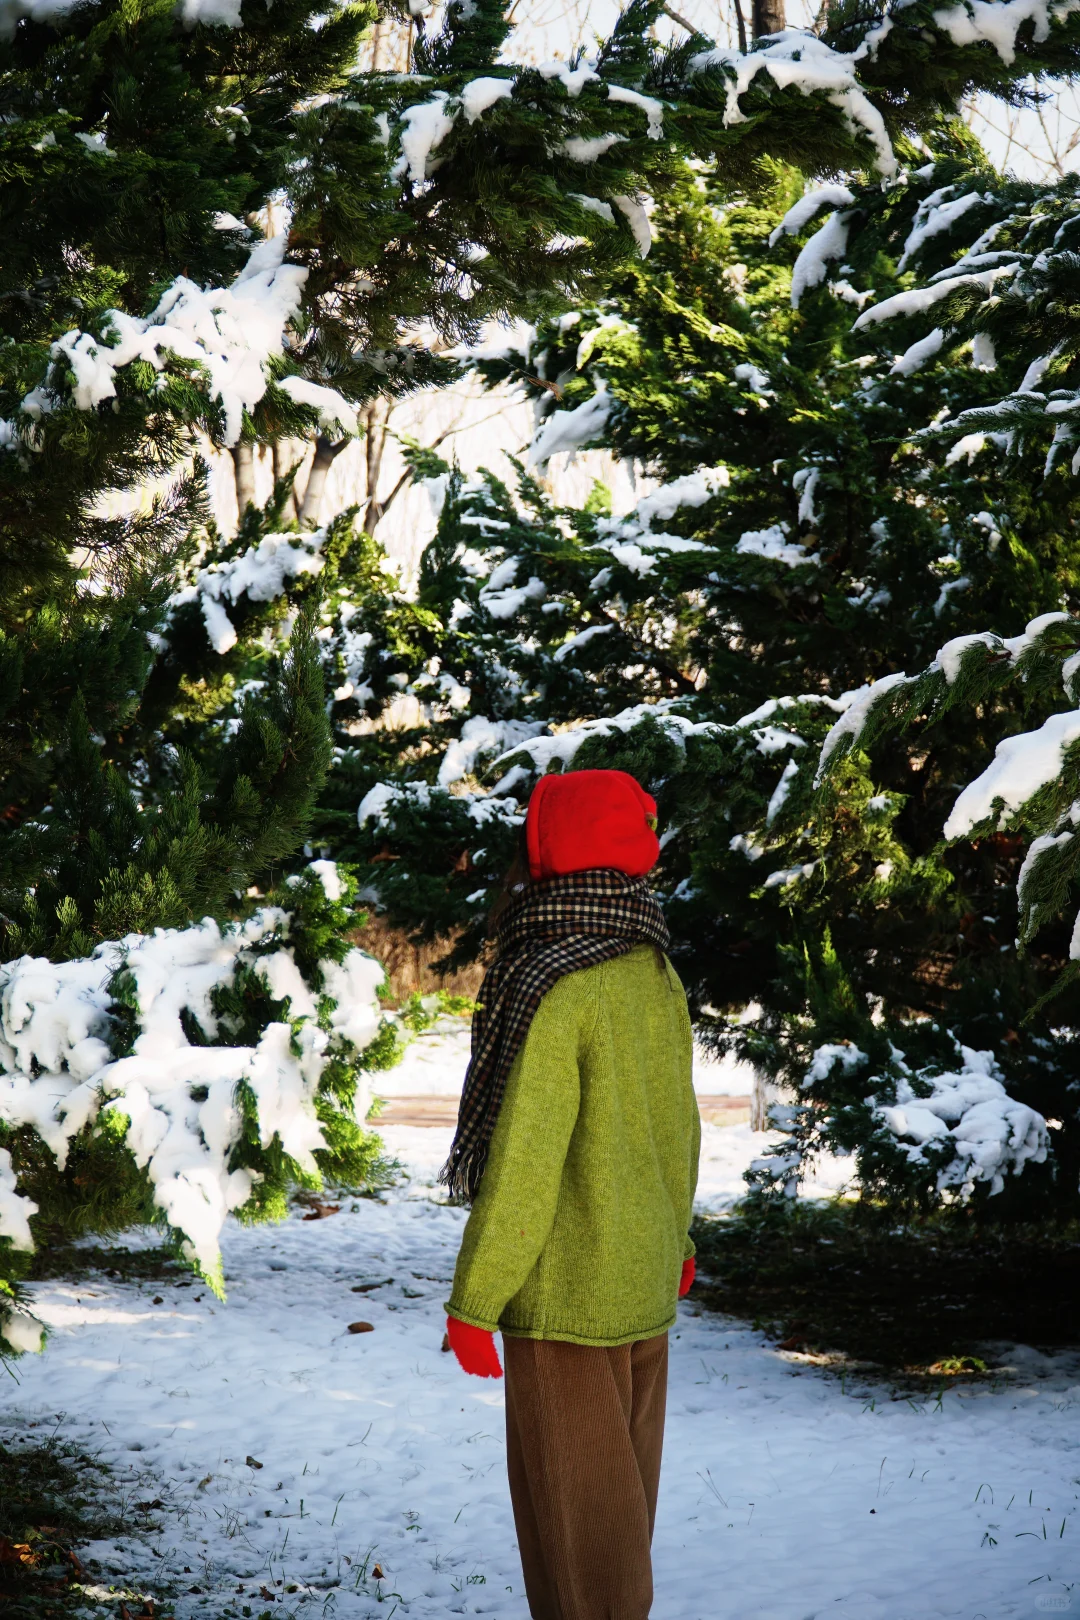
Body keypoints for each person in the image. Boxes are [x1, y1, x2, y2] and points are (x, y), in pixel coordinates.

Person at [441, 767, 701, 1620]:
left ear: (548, 848)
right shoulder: (650, 963)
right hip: (644, 1280)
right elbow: (681, 1126)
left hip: (564, 1303)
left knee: (579, 1562)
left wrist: (476, 1299)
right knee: (619, 1533)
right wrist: (681, 1246)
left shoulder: (552, 973)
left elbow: (526, 1158)